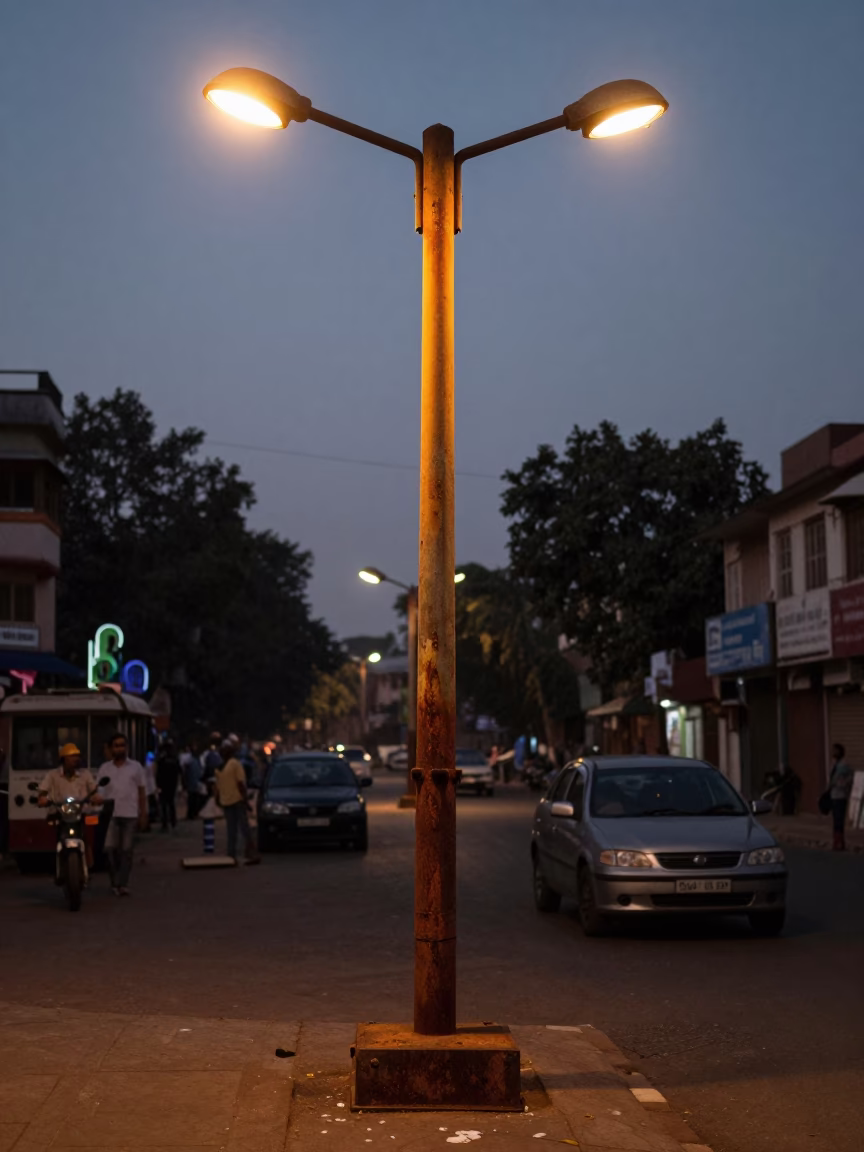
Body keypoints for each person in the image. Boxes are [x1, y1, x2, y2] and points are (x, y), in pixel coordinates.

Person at [37, 743, 104, 870]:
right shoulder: (52, 775)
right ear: (63, 759)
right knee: (52, 833)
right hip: (59, 811)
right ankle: (58, 863)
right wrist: (42, 798)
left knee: (88, 835)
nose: (75, 759)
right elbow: (43, 790)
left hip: (81, 811)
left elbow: (93, 791)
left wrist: (96, 798)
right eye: (71, 757)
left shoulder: (85, 775)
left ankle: (89, 865)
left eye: (77, 757)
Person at [98, 732, 147, 895]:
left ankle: (123, 884)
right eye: (117, 745)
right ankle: (114, 882)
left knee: (126, 850)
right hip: (110, 814)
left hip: (130, 813)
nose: (120, 748)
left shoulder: (136, 767)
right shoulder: (105, 768)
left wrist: (143, 813)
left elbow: (141, 791)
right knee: (109, 849)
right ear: (112, 749)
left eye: (123, 745)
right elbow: (100, 791)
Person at [214, 740, 259, 864]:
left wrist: (217, 799)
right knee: (244, 827)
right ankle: (250, 852)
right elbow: (240, 784)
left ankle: (231, 854)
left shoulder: (218, 768)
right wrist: (246, 800)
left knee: (231, 829)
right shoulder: (235, 764)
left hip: (225, 800)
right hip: (237, 799)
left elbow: (217, 787)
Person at [828, 743, 853, 851]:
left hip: (840, 795)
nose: (833, 753)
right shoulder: (834, 765)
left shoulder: (844, 766)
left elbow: (849, 779)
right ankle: (837, 841)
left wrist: (841, 784)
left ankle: (839, 842)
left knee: (839, 819)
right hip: (833, 795)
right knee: (836, 820)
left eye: (835, 751)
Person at [156, 740, 182, 831]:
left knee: (163, 804)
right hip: (172, 784)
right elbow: (179, 771)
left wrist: (158, 784)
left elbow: (158, 773)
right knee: (171, 804)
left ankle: (165, 824)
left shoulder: (162, 760)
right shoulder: (175, 759)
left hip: (164, 785)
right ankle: (173, 822)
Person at [180, 743, 204, 820]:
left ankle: (192, 814)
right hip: (193, 782)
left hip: (194, 782)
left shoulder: (194, 761)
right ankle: (192, 814)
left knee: (193, 799)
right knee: (193, 799)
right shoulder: (193, 761)